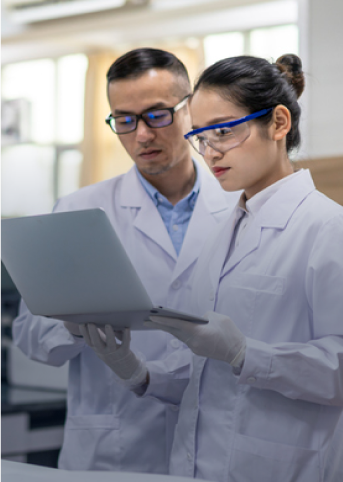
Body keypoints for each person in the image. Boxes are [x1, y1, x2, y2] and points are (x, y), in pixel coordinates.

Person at [12, 48, 238, 473]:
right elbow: (29, 333)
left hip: (213, 443)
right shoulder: (80, 209)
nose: (142, 136)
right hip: (113, 446)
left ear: (189, 110)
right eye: (125, 119)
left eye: (156, 115)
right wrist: (74, 326)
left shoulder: (237, 208)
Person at [138, 54, 343, 482]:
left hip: (285, 467)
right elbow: (205, 371)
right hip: (195, 466)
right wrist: (142, 375)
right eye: (200, 136)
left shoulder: (328, 229)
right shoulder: (222, 233)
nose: (211, 152)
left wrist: (248, 354)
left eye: (225, 132)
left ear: (279, 123)